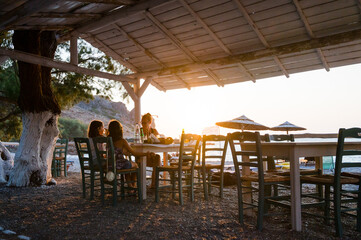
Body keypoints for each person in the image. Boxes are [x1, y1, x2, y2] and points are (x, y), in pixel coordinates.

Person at [107, 119, 159, 188]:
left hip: (110, 165)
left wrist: (125, 152)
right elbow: (134, 153)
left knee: (127, 165)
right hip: (120, 165)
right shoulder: (122, 141)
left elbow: (117, 152)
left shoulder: (108, 140)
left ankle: (130, 185)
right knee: (135, 165)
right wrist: (146, 154)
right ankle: (133, 186)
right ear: (120, 130)